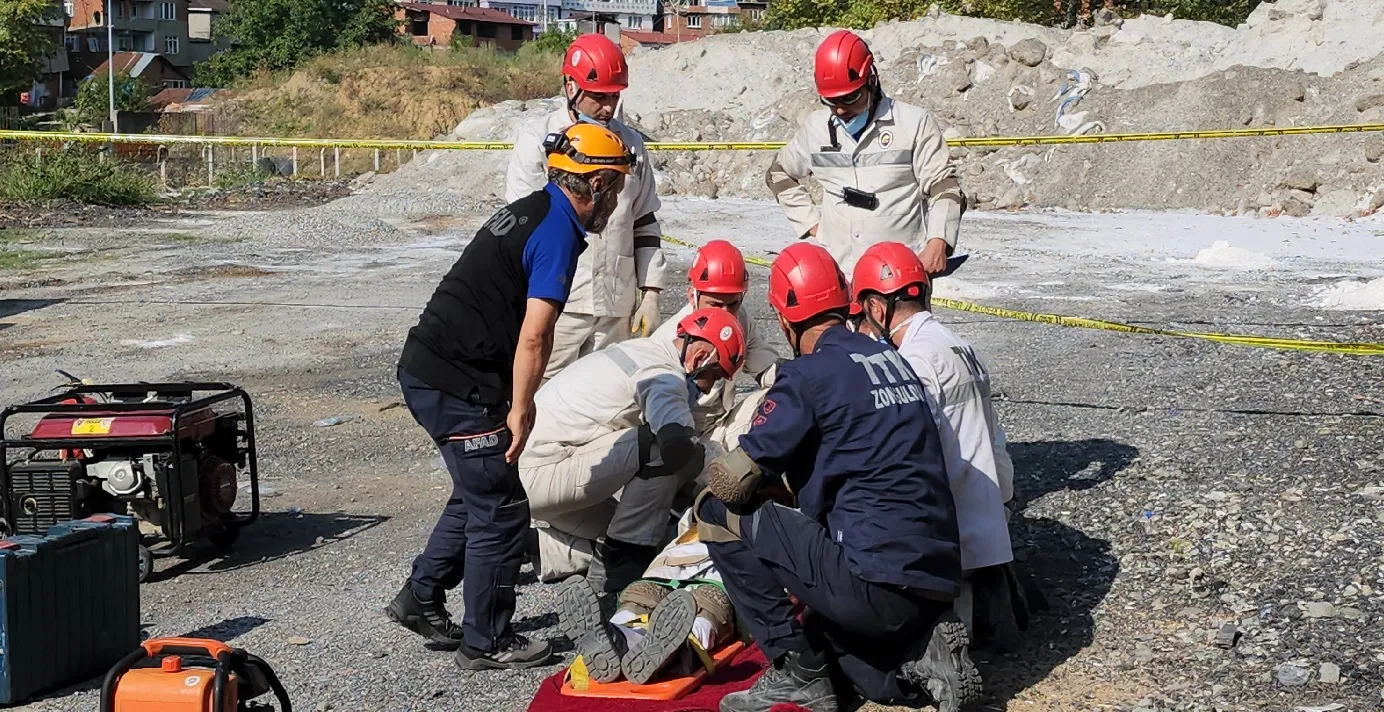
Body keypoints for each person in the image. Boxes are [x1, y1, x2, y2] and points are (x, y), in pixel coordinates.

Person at [387, 122, 636, 671]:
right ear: (592, 184)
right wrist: (522, 408)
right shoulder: (558, 234)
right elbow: (536, 334)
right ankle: (487, 640)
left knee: (478, 488)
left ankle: (420, 597)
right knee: (502, 509)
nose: (616, 201)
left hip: (436, 366)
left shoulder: (534, 207)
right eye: (614, 188)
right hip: (455, 379)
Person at [692, 242, 982, 712]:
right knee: (850, 665)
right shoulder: (894, 361)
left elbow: (731, 481)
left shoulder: (806, 375)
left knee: (714, 509)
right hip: (937, 576)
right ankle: (920, 659)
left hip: (874, 581)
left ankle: (795, 671)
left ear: (785, 321)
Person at [850, 241, 1027, 652]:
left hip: (952, 534)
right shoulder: (960, 346)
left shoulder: (911, 362)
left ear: (876, 309)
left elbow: (906, 459)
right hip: (992, 514)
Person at [518, 308, 747, 592]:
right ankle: (620, 575)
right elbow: (678, 447)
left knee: (628, 531)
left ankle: (530, 544)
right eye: (714, 376)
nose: (710, 387)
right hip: (544, 474)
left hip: (534, 475)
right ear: (700, 358)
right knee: (659, 447)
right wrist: (724, 476)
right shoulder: (664, 374)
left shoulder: (643, 349)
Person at [505, 33, 667, 383]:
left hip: (615, 303)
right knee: (543, 395)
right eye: (599, 96)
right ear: (570, 87)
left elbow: (645, 221)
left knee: (610, 398)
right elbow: (523, 225)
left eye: (615, 95)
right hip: (557, 302)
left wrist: (651, 294)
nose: (609, 107)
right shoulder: (539, 140)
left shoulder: (632, 145)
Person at [766, 29, 966, 276]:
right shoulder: (815, 129)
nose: (840, 110)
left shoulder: (913, 124)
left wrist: (939, 241)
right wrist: (812, 224)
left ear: (871, 81)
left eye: (850, 98)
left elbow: (944, 186)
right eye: (831, 101)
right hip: (840, 274)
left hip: (900, 277)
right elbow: (778, 173)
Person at [558, 509, 738, 686]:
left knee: (698, 604)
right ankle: (624, 639)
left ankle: (625, 636)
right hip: (699, 560)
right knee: (648, 595)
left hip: (682, 561)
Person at [650, 240, 783, 447]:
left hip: (721, 426)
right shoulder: (669, 342)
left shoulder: (741, 320)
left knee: (785, 396)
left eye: (732, 304)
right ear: (692, 296)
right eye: (715, 304)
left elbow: (769, 370)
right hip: (677, 437)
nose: (725, 314)